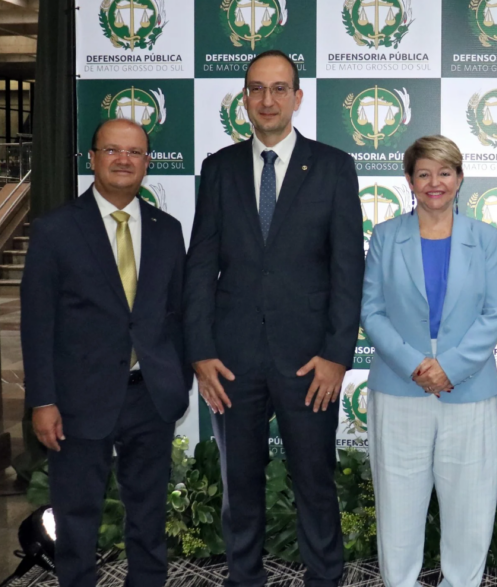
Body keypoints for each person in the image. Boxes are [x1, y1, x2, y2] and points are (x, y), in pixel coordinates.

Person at [183, 49, 364, 586]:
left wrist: (336, 356)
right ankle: (245, 579)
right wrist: (200, 351)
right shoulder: (218, 169)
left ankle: (324, 578)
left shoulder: (333, 167)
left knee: (314, 479)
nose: (268, 99)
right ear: (244, 99)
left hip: (310, 361)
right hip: (231, 359)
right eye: (257, 89)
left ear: (298, 98)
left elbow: (347, 270)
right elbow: (200, 266)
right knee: (239, 483)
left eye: (279, 88)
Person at [21, 118, 191, 587]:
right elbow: (37, 324)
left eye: (134, 152)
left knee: (149, 519)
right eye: (112, 150)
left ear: (146, 162)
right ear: (92, 158)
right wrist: (43, 400)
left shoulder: (167, 230)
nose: (123, 160)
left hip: (150, 397)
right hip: (77, 401)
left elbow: (176, 314)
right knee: (76, 523)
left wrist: (177, 380)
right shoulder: (55, 230)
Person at [361, 134, 497, 587]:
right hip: (399, 386)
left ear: (460, 179)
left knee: (469, 507)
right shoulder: (386, 237)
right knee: (398, 506)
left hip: (468, 388)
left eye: (444, 173)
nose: (434, 183)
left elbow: (496, 310)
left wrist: (451, 365)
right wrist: (417, 364)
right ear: (408, 180)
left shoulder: (485, 239)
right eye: (423, 173)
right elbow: (371, 310)